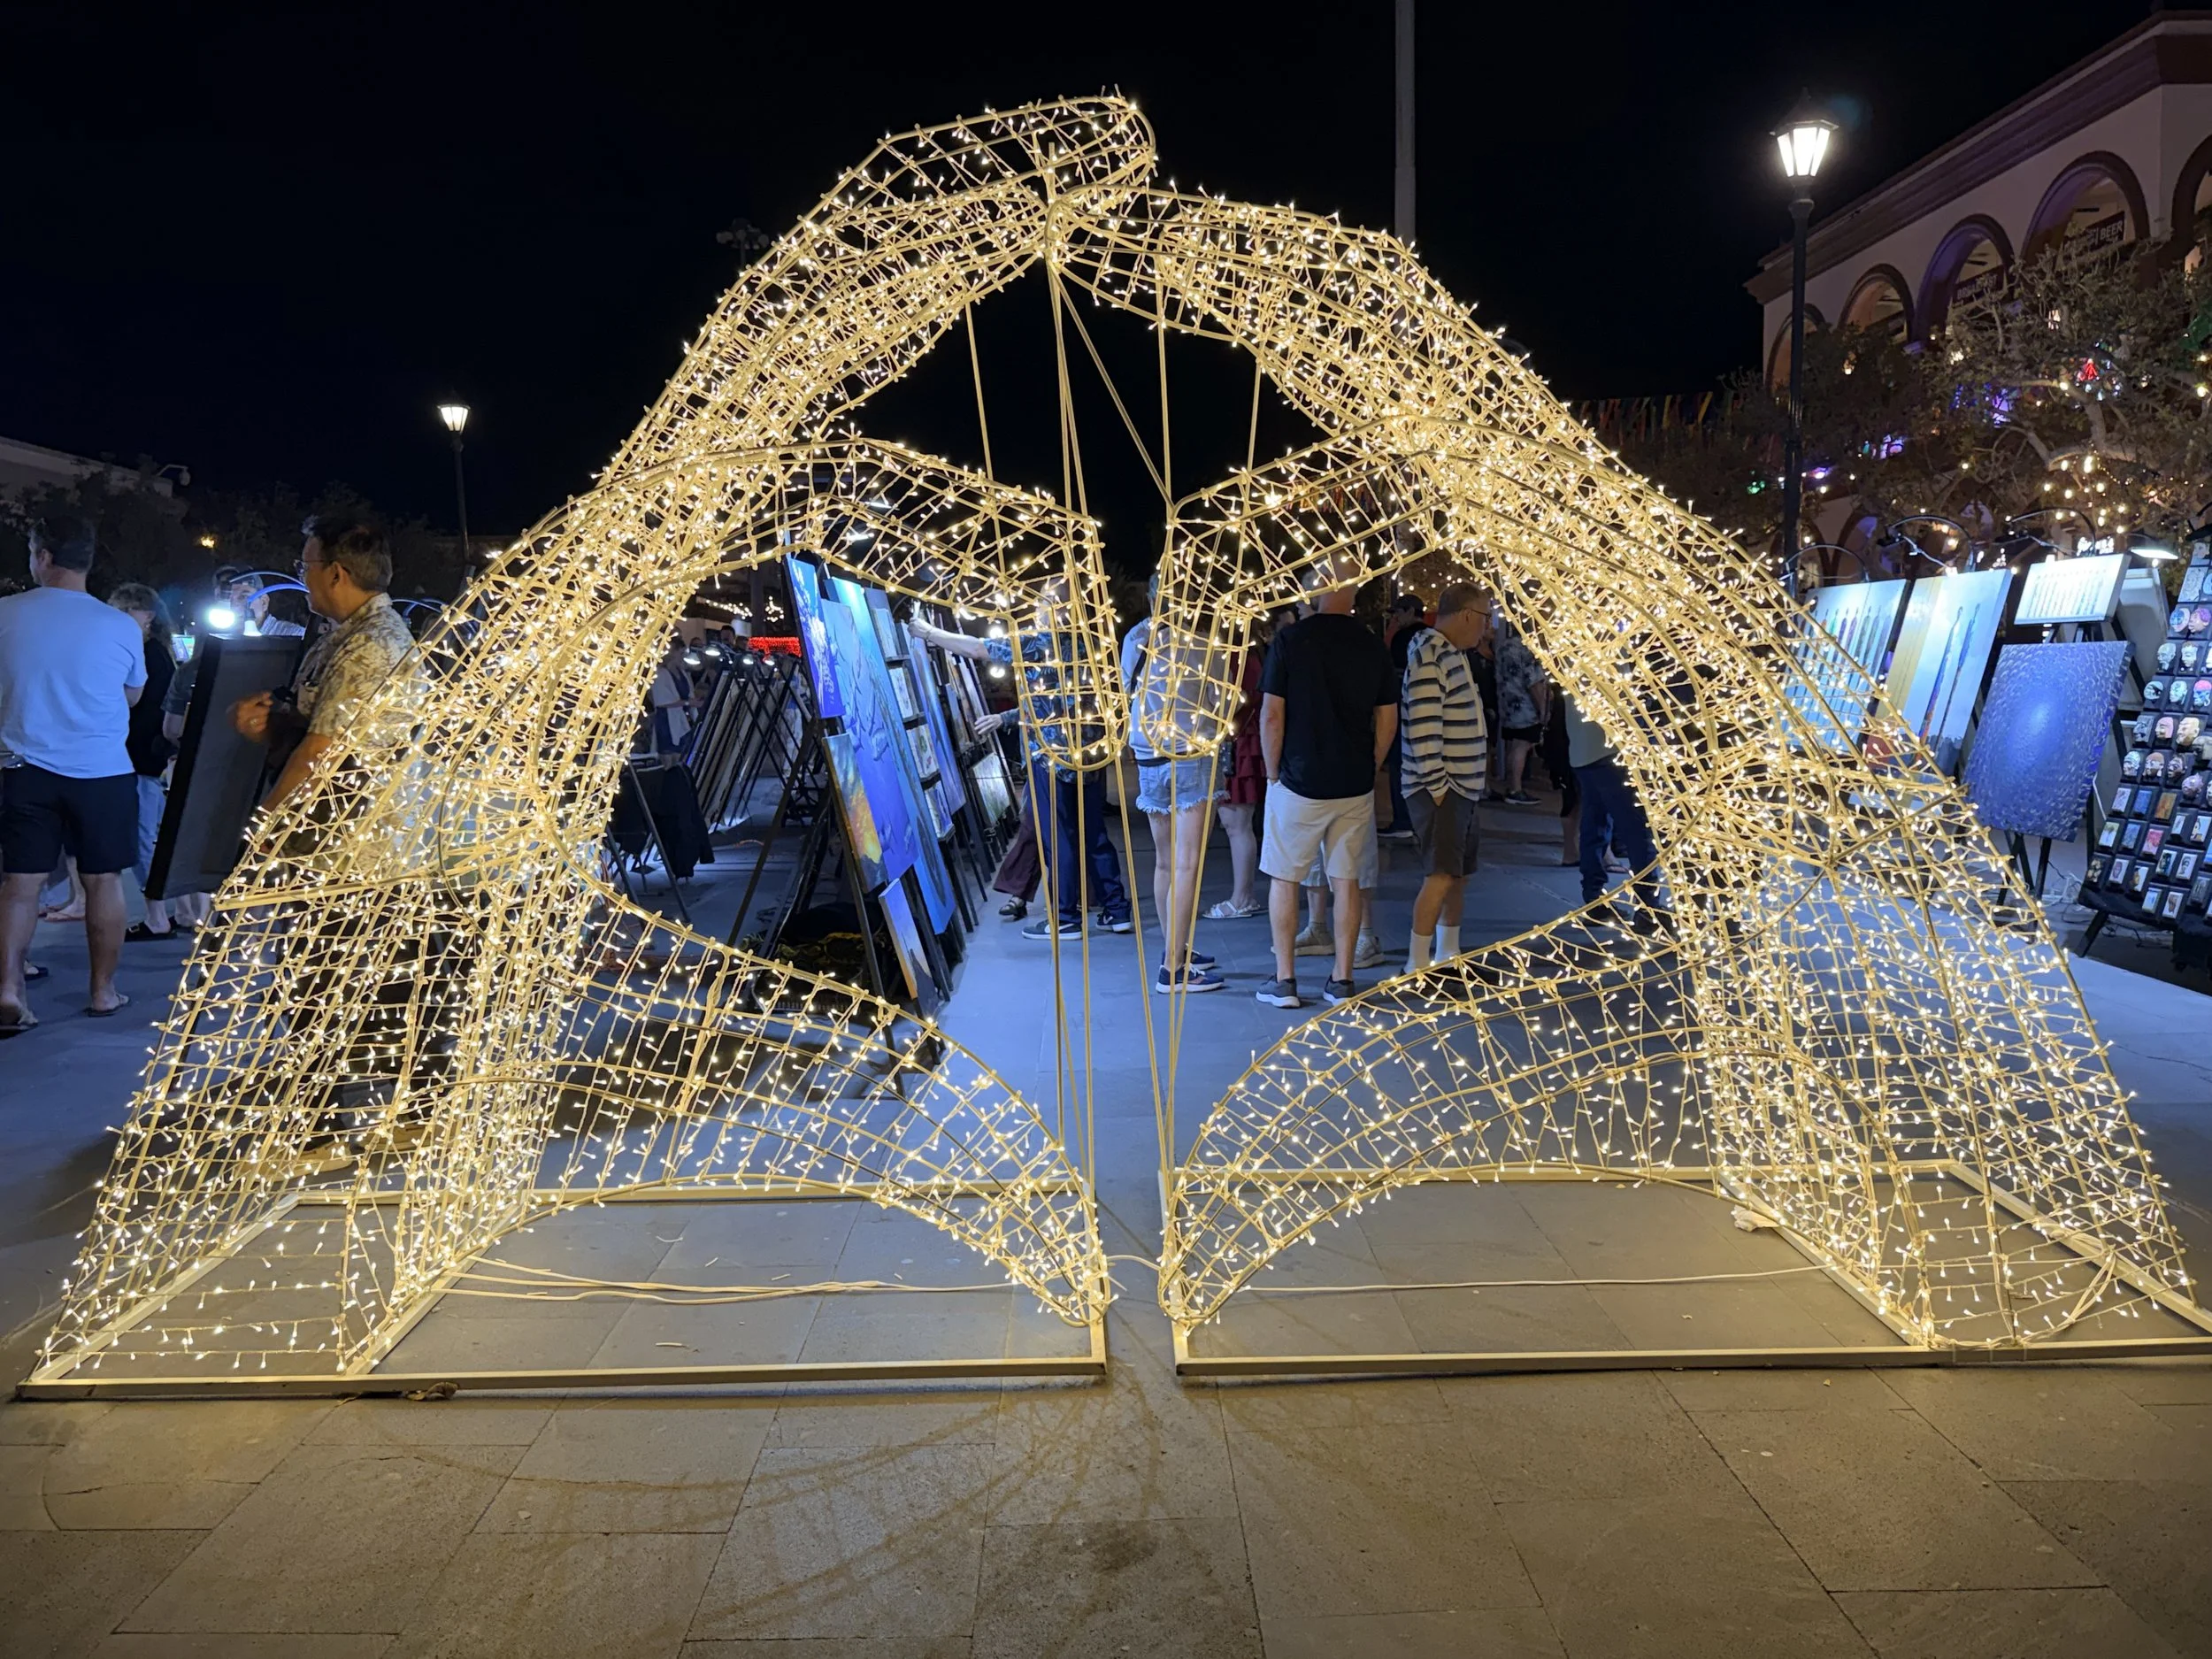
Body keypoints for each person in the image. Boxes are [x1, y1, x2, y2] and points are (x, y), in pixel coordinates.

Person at [0, 516, 148, 1032]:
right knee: (104, 881)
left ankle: (8, 989)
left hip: (24, 769)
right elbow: (132, 695)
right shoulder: (119, 624)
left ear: (42, 557)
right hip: (103, 772)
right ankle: (103, 992)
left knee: (20, 884)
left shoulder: (5, 615)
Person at [910, 604, 1132, 941]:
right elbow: (1058, 701)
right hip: (1090, 754)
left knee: (1058, 839)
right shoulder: (1091, 641)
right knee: (1095, 834)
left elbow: (977, 648)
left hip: (1051, 758)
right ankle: (1117, 912)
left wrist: (929, 633)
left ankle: (1067, 919)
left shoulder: (1038, 640)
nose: (1036, 610)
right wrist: (1007, 717)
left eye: (1042, 603)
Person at [1255, 583, 1396, 1009]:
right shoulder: (1371, 644)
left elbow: (1272, 714)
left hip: (1299, 778)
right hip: (1353, 781)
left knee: (1285, 877)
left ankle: (1285, 981)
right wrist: (1371, 764)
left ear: (1318, 589)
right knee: (1346, 880)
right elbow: (1387, 717)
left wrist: (1273, 770)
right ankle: (1343, 979)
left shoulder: (1290, 639)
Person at [232, 518, 419, 812]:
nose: (302, 578)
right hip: (319, 834)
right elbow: (310, 730)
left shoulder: (372, 646)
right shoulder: (342, 638)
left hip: (338, 842)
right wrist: (266, 724)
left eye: (305, 568)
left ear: (335, 574)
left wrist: (262, 834)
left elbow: (320, 753)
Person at [1121, 588, 1225, 995]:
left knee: (1165, 862)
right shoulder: (1205, 642)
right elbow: (1219, 699)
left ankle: (1175, 948)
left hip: (1148, 752)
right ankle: (1174, 968)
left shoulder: (1136, 637)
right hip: (1190, 752)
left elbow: (1129, 685)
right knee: (1186, 865)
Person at [1398, 584, 1490, 971]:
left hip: (1461, 786)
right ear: (1468, 614)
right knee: (1441, 875)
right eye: (1486, 618)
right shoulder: (1430, 651)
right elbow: (1423, 725)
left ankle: (1448, 955)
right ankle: (1417, 965)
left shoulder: (1450, 653)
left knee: (1457, 874)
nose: (1486, 628)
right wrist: (1437, 785)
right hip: (1445, 787)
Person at [106, 584, 188, 941]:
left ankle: (158, 915)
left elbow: (143, 709)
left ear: (146, 617)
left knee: (142, 838)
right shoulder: (157, 651)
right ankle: (175, 911)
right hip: (145, 756)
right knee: (147, 835)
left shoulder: (148, 654)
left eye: (123, 612)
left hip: (140, 756)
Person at [1564, 696, 1668, 934]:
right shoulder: (1608, 659)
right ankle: (1649, 908)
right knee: (1636, 830)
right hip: (1612, 749)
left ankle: (1594, 899)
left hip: (1582, 749)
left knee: (1595, 823)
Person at [1202, 629, 1269, 921]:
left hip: (1237, 741)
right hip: (1238, 741)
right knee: (1235, 821)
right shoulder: (1246, 652)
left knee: (1236, 821)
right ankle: (1243, 895)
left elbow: (1243, 698)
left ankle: (1243, 897)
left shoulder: (1239, 655)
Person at [1488, 613, 1547, 804]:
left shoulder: (1504, 646)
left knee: (1514, 746)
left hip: (1507, 704)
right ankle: (1516, 789)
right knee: (1523, 746)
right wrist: (1543, 709)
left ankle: (1511, 784)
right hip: (1525, 707)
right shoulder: (1528, 649)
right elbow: (1534, 682)